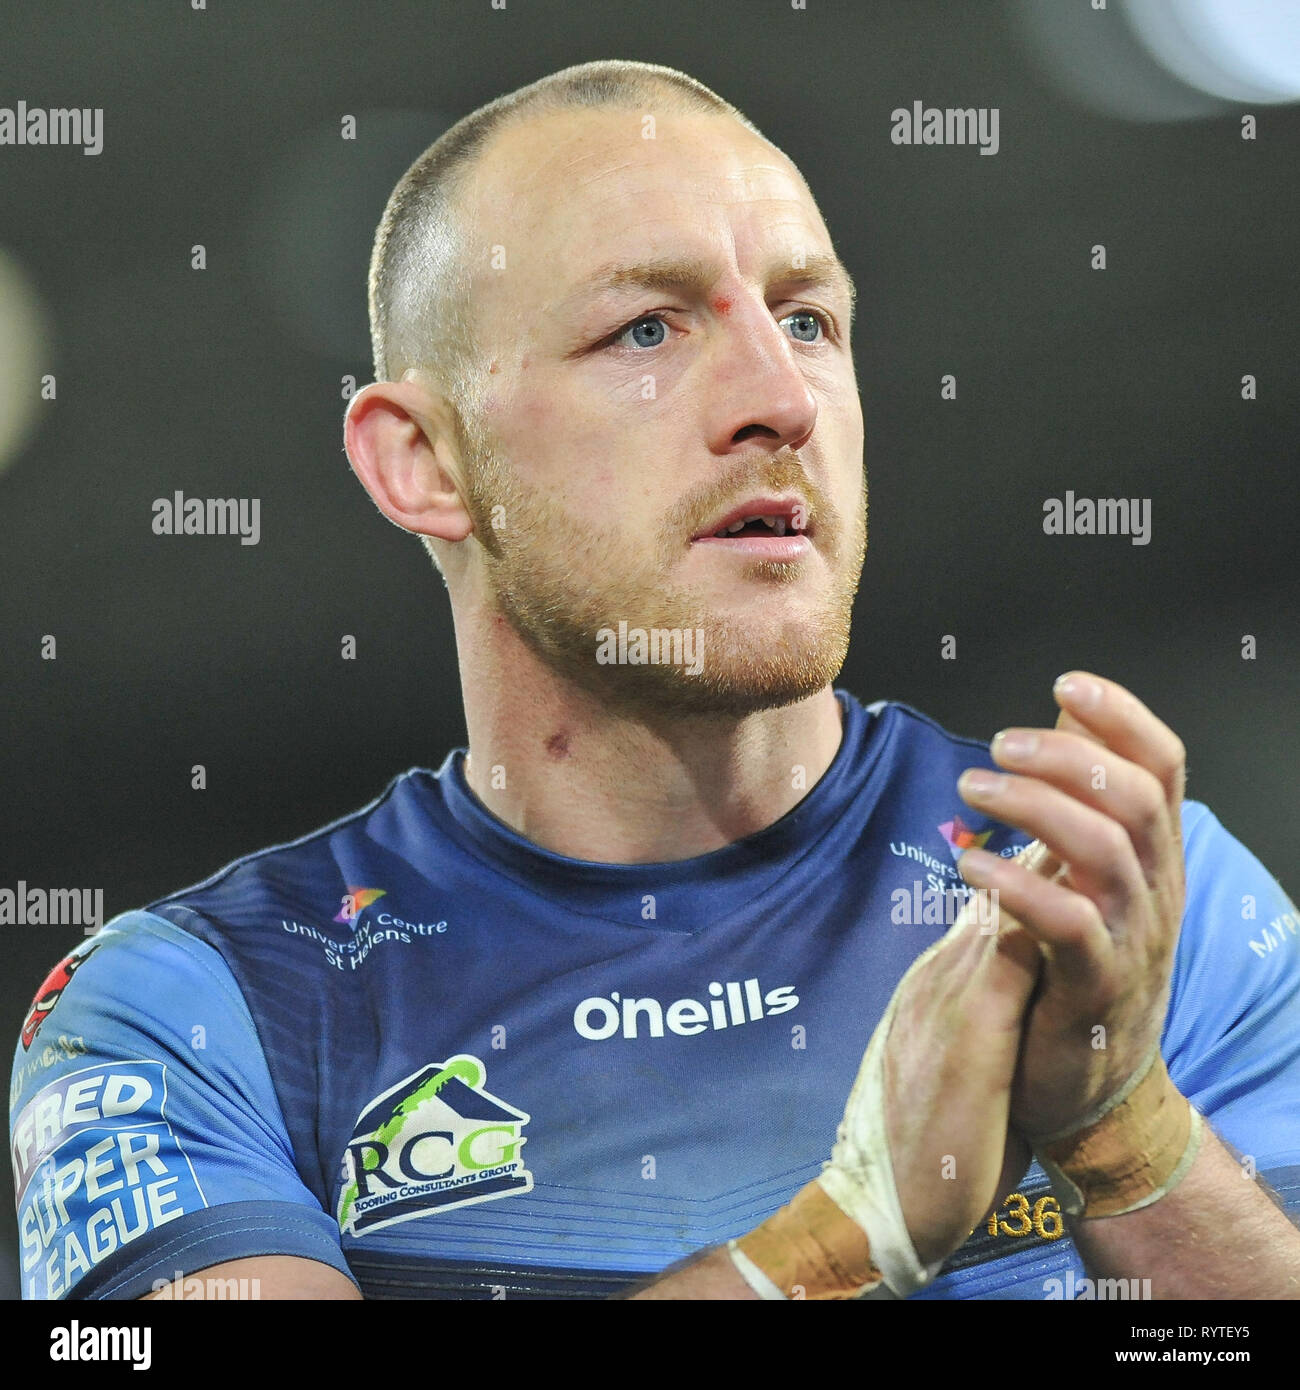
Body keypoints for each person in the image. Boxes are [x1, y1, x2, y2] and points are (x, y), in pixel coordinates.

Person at [10, 60, 1299, 1302]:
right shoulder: (189, 1012)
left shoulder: (1129, 901)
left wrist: (1127, 1134)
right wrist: (845, 1237)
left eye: (807, 320)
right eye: (645, 328)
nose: (780, 397)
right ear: (425, 465)